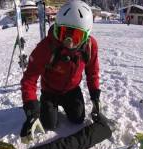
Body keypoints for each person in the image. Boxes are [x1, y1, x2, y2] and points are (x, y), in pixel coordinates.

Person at [20, 0, 101, 138]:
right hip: (50, 91)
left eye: (76, 36)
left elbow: (92, 72)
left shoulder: (90, 46)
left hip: (71, 90)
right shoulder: (46, 47)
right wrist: (31, 108)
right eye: (63, 33)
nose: (68, 42)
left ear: (86, 35)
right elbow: (29, 78)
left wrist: (95, 96)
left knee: (78, 118)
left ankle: (63, 105)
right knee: (48, 125)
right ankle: (47, 106)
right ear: (56, 27)